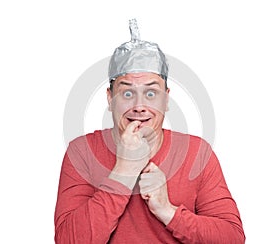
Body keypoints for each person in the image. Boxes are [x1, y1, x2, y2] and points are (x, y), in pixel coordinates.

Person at [54, 19, 245, 243]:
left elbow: (232, 238)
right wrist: (123, 171)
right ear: (110, 99)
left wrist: (168, 211)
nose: (139, 105)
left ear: (166, 99)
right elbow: (68, 240)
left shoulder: (197, 153)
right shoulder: (82, 152)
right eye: (127, 94)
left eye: (151, 93)